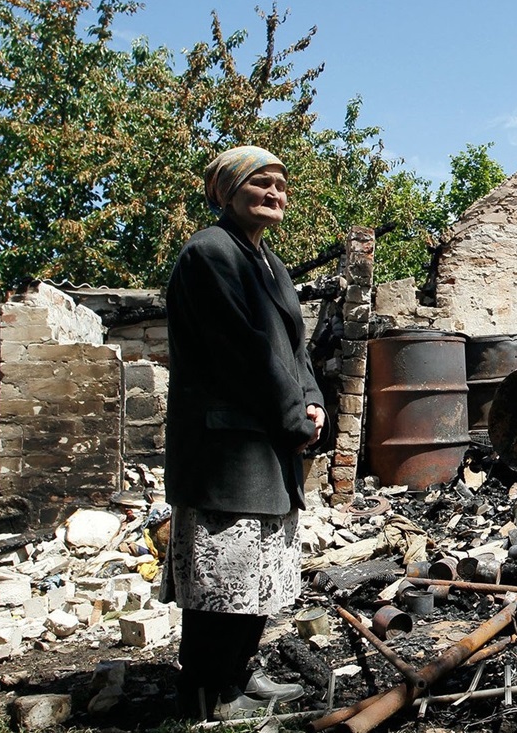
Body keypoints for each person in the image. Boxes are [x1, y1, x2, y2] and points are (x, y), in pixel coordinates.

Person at [161, 146, 327, 720]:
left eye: (281, 183)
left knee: (256, 573)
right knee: (222, 575)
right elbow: (246, 351)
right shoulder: (211, 254)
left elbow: (295, 350)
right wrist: (292, 418)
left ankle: (239, 673)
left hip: (265, 442)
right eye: (260, 182)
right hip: (226, 448)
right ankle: (209, 692)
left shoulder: (270, 263)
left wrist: (313, 402)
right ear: (225, 193)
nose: (275, 192)